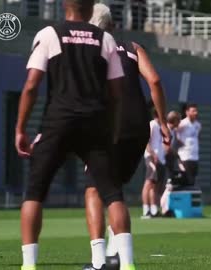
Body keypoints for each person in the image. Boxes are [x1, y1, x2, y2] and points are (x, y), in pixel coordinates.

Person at [15, 1, 138, 269]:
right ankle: (128, 264)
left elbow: (32, 84)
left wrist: (20, 128)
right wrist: (113, 130)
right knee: (113, 194)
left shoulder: (49, 34)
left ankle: (28, 265)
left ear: (63, 5)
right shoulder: (105, 39)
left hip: (58, 120)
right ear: (91, 6)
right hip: (95, 123)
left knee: (34, 193)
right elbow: (117, 94)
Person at [84, 3, 170, 270]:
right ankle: (120, 258)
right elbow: (154, 80)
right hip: (139, 125)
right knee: (114, 190)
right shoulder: (133, 48)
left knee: (93, 190)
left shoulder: (88, 51)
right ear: (112, 25)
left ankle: (99, 262)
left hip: (110, 124)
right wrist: (163, 121)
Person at [141, 110, 167, 218]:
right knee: (149, 183)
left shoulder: (160, 126)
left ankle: (154, 209)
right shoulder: (152, 124)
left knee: (155, 186)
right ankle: (146, 210)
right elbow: (146, 141)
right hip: (152, 158)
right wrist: (152, 154)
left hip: (160, 159)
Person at [177, 104, 201, 186]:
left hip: (194, 157)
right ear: (187, 112)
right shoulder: (182, 124)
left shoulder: (198, 125)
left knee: (192, 180)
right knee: (186, 179)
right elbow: (175, 133)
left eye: (196, 111)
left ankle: (190, 197)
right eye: (193, 111)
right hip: (185, 156)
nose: (195, 113)